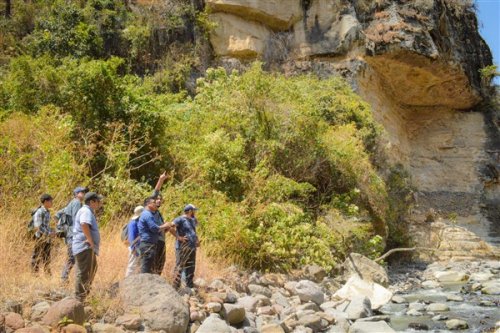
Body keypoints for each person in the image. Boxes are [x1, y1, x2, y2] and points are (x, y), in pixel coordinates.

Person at [72, 192, 103, 301]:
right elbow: (84, 224)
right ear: (92, 202)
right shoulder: (86, 211)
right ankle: (79, 299)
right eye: (98, 201)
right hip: (84, 246)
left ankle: (84, 295)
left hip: (85, 247)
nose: (99, 203)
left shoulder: (87, 211)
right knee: (84, 271)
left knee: (91, 268)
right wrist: (90, 240)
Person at [60, 186, 88, 283]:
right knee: (72, 257)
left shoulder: (73, 202)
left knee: (73, 257)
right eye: (81, 192)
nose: (83, 193)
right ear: (76, 194)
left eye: (84, 192)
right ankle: (64, 279)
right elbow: (77, 219)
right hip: (73, 234)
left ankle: (66, 278)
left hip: (71, 234)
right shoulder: (76, 202)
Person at [137, 196, 172, 274]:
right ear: (149, 204)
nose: (156, 204)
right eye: (154, 202)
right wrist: (165, 226)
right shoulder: (147, 214)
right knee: (146, 269)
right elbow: (154, 228)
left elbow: (157, 230)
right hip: (147, 245)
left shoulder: (151, 214)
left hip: (151, 244)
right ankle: (143, 285)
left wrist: (165, 228)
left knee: (151, 268)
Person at [171, 204, 200, 289]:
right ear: (190, 211)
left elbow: (193, 231)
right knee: (180, 266)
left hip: (192, 247)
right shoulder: (180, 219)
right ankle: (175, 286)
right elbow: (170, 227)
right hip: (182, 246)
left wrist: (196, 240)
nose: (195, 212)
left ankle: (189, 286)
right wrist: (179, 237)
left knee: (191, 266)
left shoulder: (192, 220)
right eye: (194, 211)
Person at [31, 194, 55, 274]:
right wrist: (49, 233)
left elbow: (46, 225)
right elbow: (38, 226)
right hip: (40, 237)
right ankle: (34, 274)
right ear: (45, 202)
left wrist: (52, 231)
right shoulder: (40, 212)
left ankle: (47, 274)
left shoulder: (47, 212)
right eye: (50, 201)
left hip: (46, 238)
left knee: (47, 256)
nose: (52, 203)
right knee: (37, 256)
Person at [152, 172, 168, 275]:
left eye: (160, 199)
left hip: (161, 241)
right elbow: (155, 193)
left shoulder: (159, 214)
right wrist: (161, 180)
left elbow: (161, 229)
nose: (158, 201)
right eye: (157, 199)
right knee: (153, 266)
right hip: (154, 242)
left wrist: (166, 227)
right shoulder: (150, 211)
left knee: (160, 265)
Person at [125, 205, 144, 277]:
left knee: (138, 266)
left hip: (138, 247)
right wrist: (133, 248)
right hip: (134, 247)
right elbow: (132, 237)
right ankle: (127, 282)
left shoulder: (138, 222)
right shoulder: (133, 223)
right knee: (132, 266)